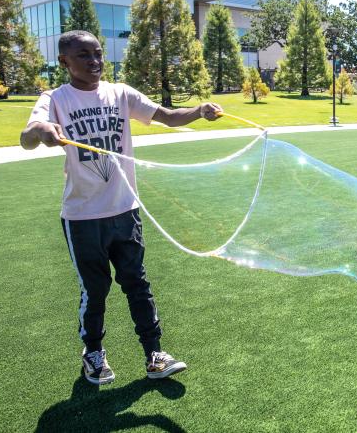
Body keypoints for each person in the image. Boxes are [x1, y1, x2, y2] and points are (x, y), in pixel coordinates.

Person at [20, 30, 223, 385]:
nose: (95, 61)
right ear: (64, 61)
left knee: (136, 282)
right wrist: (40, 129)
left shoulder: (120, 93)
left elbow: (168, 116)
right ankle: (94, 354)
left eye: (98, 53)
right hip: (83, 217)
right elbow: (27, 138)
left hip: (125, 210)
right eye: (84, 55)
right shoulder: (54, 98)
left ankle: (155, 354)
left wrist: (200, 110)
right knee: (95, 289)